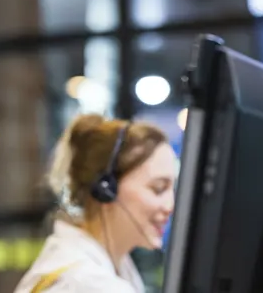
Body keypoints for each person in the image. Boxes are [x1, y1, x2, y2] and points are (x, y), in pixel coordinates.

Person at [14, 114, 177, 293]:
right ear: (106, 189)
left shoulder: (100, 266)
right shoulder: (87, 284)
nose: (170, 206)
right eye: (158, 189)